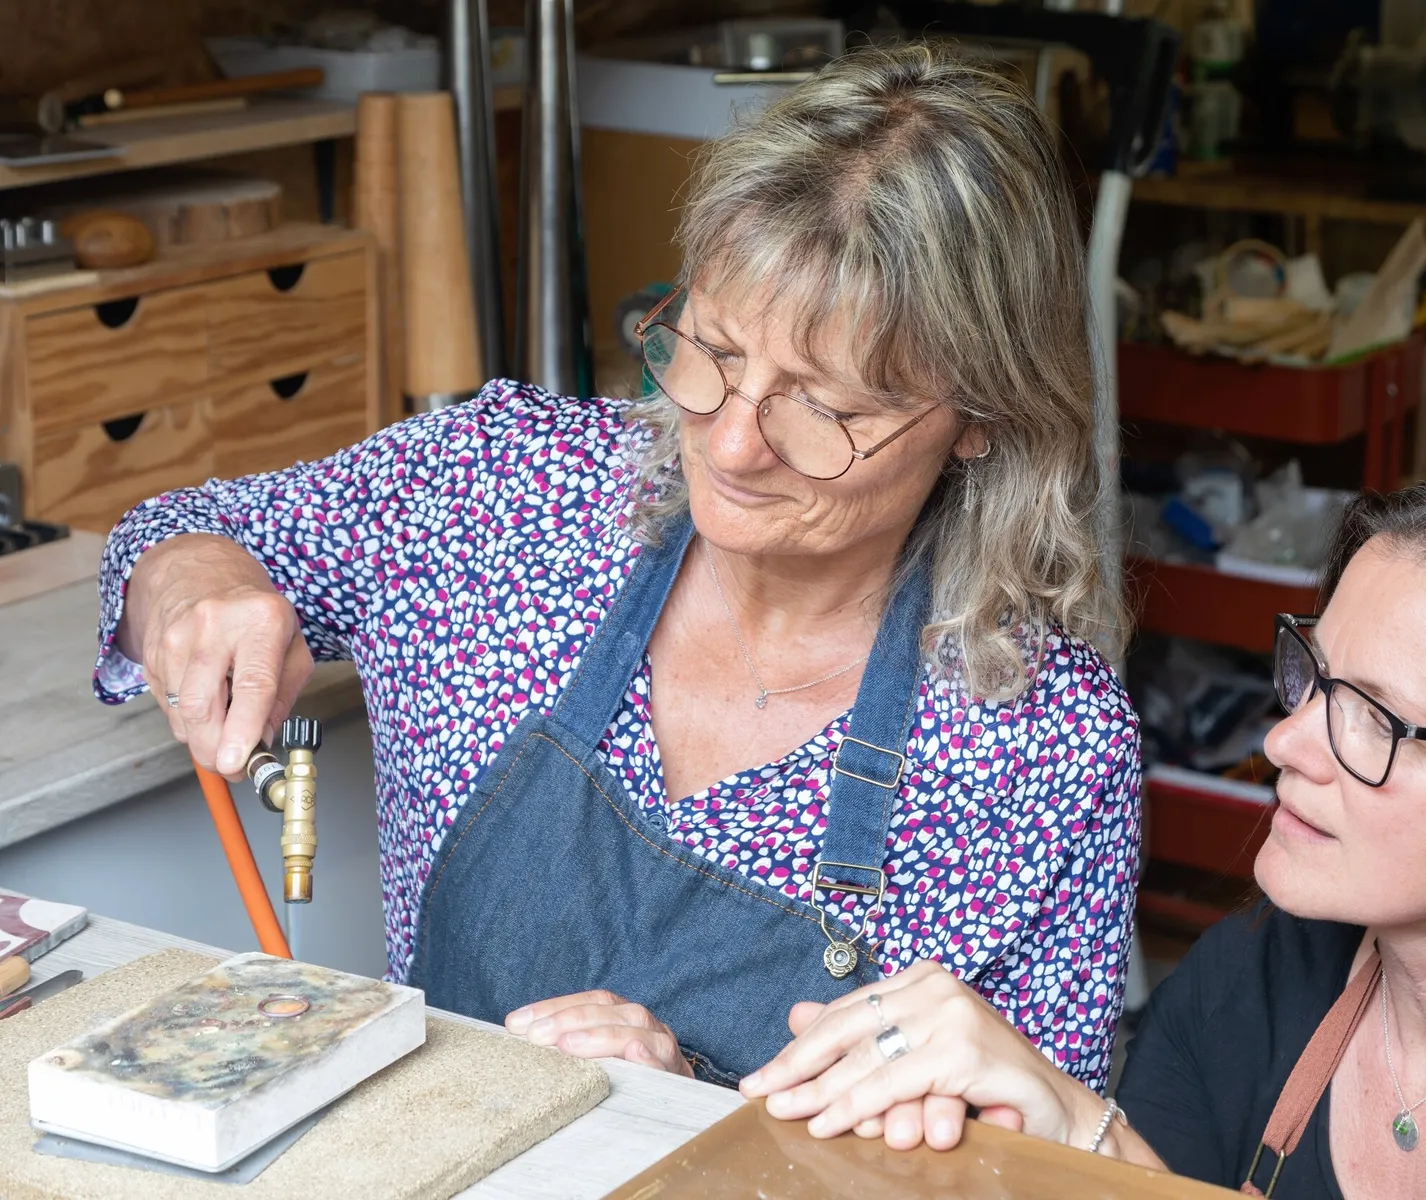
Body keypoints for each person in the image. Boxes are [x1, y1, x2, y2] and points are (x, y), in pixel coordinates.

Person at [95, 45, 1141, 1088]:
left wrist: (692, 1108)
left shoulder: (1041, 749)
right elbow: (182, 528)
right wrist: (192, 578)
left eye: (825, 409)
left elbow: (1032, 1165)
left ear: (981, 421)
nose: (732, 448)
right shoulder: (500, 492)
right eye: (713, 357)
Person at [745, 451, 1426, 1198]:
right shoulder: (1260, 977)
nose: (1287, 740)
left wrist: (1087, 1131)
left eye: (1376, 721)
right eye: (1313, 677)